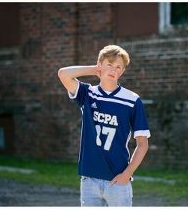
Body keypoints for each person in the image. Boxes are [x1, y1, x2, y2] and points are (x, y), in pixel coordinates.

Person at [57, 45, 150, 207]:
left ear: (122, 71)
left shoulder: (132, 100)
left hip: (117, 180)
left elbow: (143, 144)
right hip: (89, 180)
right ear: (100, 64)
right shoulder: (87, 94)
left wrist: (126, 174)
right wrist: (95, 69)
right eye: (109, 64)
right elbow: (63, 74)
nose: (113, 69)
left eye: (118, 67)